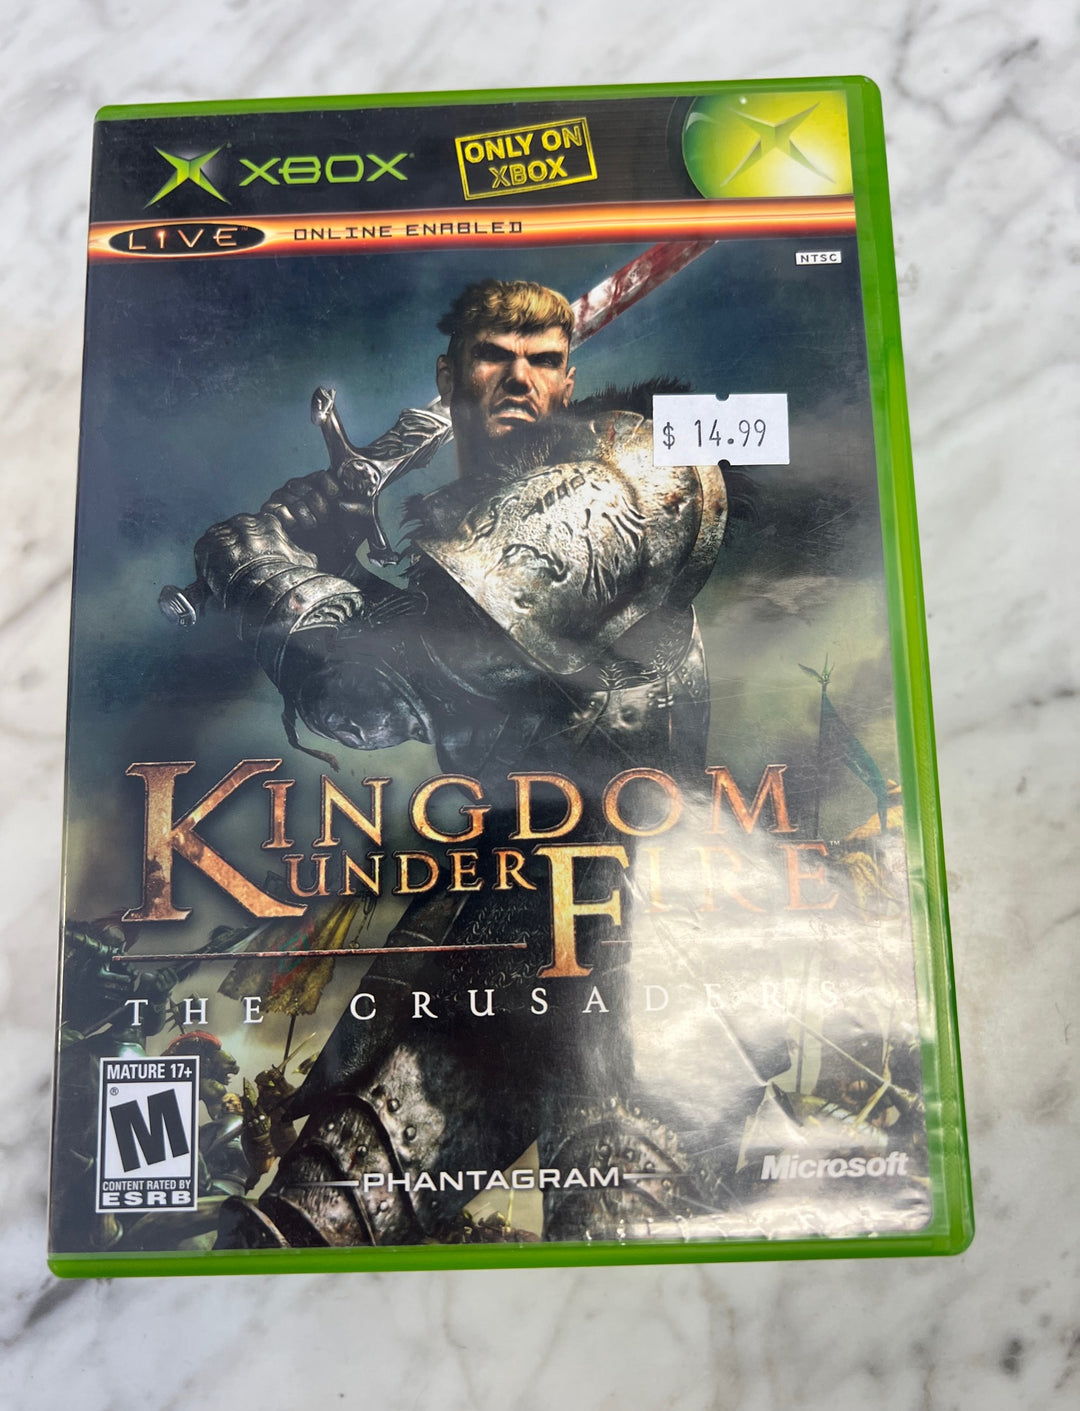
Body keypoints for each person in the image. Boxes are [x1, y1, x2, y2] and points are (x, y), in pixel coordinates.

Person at [196, 280, 777, 1249]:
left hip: (640, 957)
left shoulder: (628, 469)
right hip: (499, 942)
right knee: (287, 1239)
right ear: (447, 376)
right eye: (493, 355)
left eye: (543, 359)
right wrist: (334, 554)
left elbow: (369, 690)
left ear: (569, 381)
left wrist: (257, 558)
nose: (518, 376)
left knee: (629, 1257)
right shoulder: (500, 520)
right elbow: (419, 650)